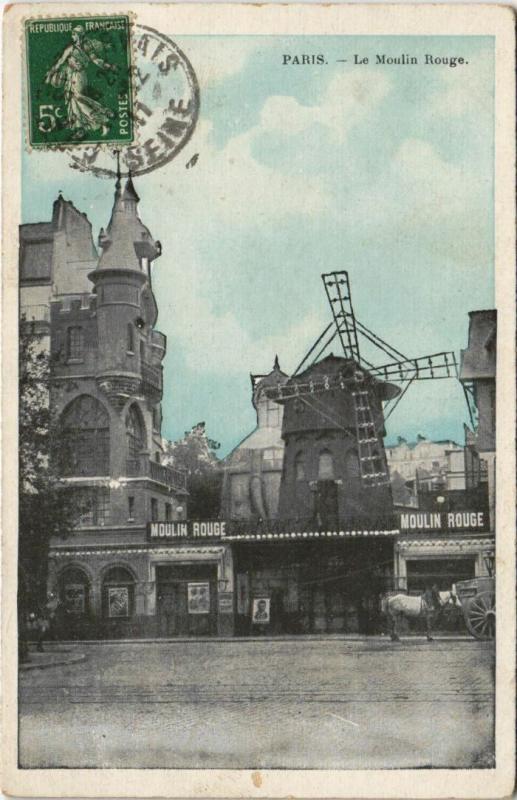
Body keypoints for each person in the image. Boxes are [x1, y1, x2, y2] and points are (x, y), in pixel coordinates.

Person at [44, 25, 117, 138]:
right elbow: (60, 61)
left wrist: (108, 66)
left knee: (78, 97)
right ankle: (83, 127)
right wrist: (51, 74)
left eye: (74, 34)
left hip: (80, 75)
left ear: (79, 35)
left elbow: (96, 60)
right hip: (70, 76)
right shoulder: (70, 49)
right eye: (72, 34)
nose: (72, 36)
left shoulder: (86, 48)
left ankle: (103, 112)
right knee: (73, 101)